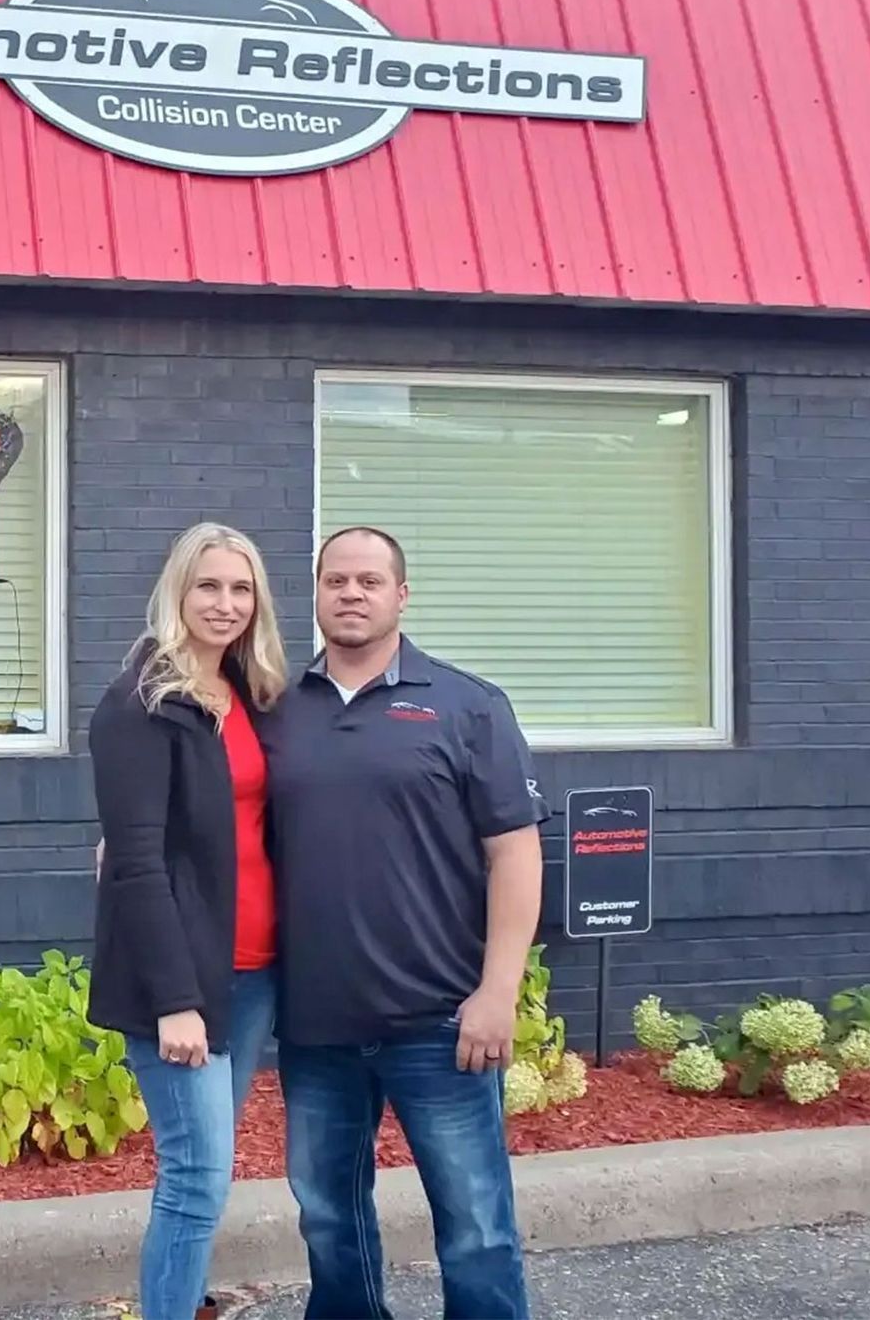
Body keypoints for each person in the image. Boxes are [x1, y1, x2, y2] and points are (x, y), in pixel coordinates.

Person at [260, 525, 547, 1320]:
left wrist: (499, 992)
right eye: (335, 580)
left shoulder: (467, 706)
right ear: (315, 593)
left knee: (476, 1228)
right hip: (317, 1025)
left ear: (401, 595)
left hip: (440, 1021)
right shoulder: (275, 708)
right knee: (328, 1220)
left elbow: (515, 856)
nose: (351, 594)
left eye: (369, 581)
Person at [86, 522, 289, 1320]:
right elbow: (135, 864)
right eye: (209, 586)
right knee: (197, 1176)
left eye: (241, 589)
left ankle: (187, 1299)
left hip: (255, 971)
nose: (226, 604)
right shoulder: (139, 705)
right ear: (177, 590)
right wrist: (175, 1000)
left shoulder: (252, 694)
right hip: (187, 982)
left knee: (208, 1169)